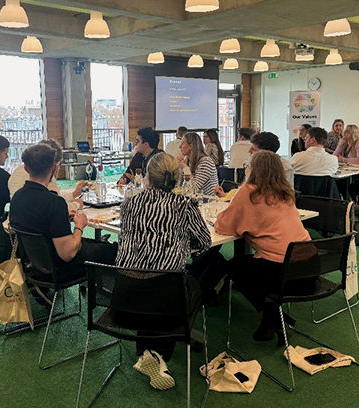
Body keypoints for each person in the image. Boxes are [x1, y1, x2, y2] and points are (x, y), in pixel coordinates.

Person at [114, 152, 211, 390]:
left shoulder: (129, 203)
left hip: (123, 300)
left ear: (147, 177)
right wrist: (182, 245)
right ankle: (159, 353)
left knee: (148, 281)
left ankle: (146, 350)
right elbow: (204, 241)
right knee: (192, 286)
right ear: (178, 178)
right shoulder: (184, 205)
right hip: (163, 300)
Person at [215, 150, 311, 344]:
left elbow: (223, 226)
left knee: (234, 266)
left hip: (279, 269)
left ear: (253, 169)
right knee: (250, 264)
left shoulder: (248, 191)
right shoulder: (286, 192)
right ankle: (272, 318)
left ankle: (276, 318)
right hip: (308, 265)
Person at [9, 143, 116, 283]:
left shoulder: (17, 198)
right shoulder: (54, 203)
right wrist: (79, 226)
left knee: (97, 245)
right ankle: (108, 298)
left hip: (35, 264)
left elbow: (38, 221)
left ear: (26, 168)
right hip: (60, 268)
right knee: (113, 250)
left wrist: (61, 218)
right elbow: (68, 253)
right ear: (54, 168)